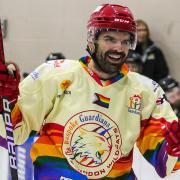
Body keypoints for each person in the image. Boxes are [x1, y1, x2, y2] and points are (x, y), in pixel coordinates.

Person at [0, 4, 180, 180]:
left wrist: (173, 149)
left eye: (125, 41)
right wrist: (5, 102)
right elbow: (13, 133)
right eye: (110, 39)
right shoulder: (54, 75)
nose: (118, 48)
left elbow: (165, 162)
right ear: (92, 40)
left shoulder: (145, 91)